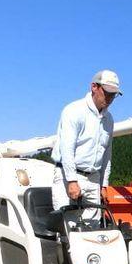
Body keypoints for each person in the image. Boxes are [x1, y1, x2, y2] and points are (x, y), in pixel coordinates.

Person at [51, 70, 122, 219]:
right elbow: (67, 149)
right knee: (69, 227)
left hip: (94, 179)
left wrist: (103, 185)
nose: (110, 98)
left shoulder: (109, 119)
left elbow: (106, 155)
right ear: (94, 87)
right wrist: (72, 181)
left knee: (93, 229)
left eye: (113, 95)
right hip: (69, 175)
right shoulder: (74, 111)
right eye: (107, 93)